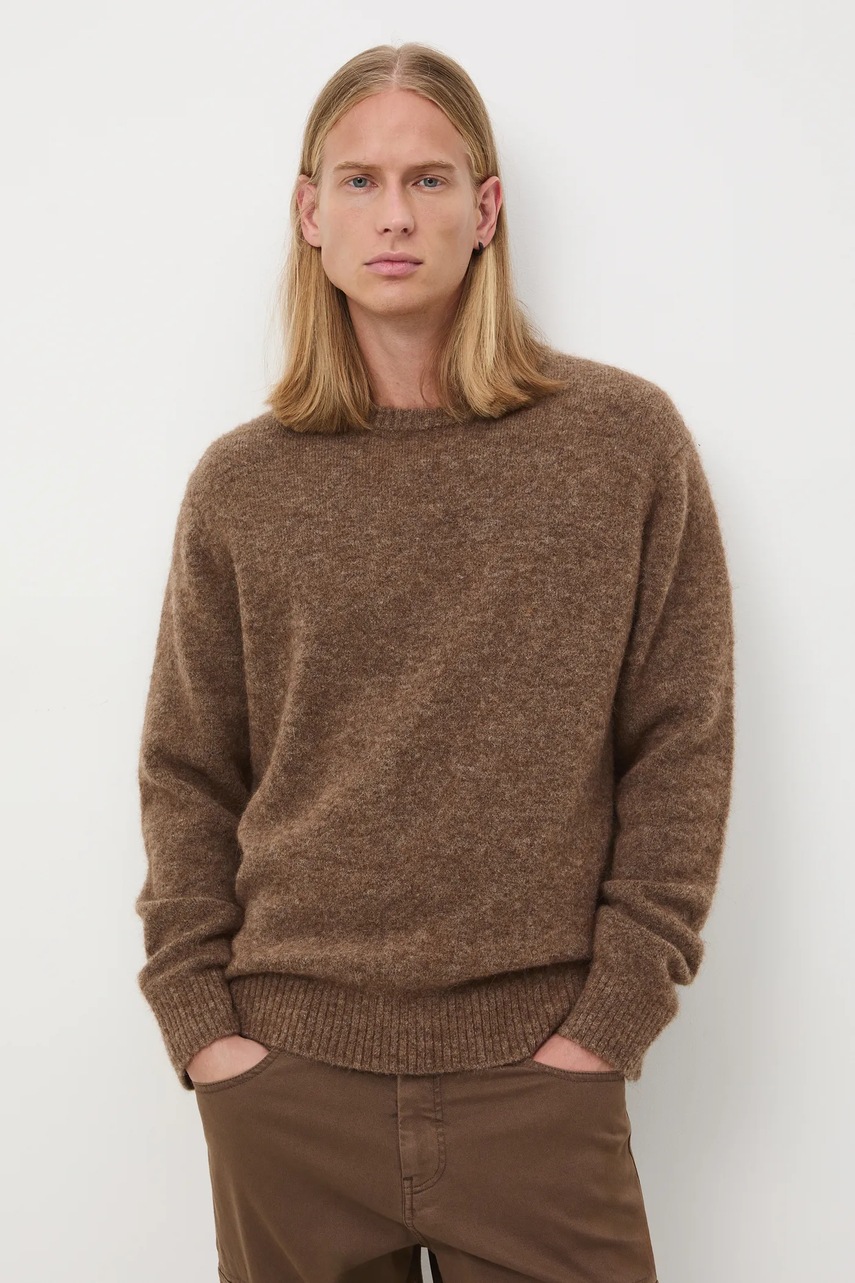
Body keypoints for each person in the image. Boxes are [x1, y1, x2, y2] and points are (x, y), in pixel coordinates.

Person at [135, 41, 734, 1283]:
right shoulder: (242, 484)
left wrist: (611, 1018)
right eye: (358, 181)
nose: (395, 214)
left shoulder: (622, 444)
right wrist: (206, 1032)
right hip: (289, 1085)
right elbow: (189, 771)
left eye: (429, 178)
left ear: (486, 206)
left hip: (540, 1082)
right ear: (310, 214)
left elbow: (682, 740)